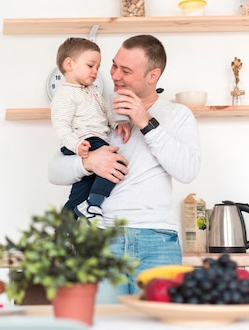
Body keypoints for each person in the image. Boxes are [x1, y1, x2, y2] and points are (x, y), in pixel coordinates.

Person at [47, 35, 201, 303]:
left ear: (153, 75)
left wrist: (144, 121)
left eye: (126, 71)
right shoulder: (98, 111)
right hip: (101, 241)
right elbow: (54, 171)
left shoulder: (178, 115)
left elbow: (187, 170)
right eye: (114, 65)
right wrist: (88, 162)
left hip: (158, 242)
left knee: (160, 324)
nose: (114, 75)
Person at [50, 37, 131, 219]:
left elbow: (105, 111)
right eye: (90, 65)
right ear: (69, 64)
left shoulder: (93, 89)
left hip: (96, 140)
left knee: (82, 186)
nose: (95, 71)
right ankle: (93, 204)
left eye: (97, 67)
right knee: (114, 162)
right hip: (85, 140)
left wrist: (118, 123)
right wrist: (77, 144)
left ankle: (65, 226)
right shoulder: (65, 94)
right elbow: (61, 126)